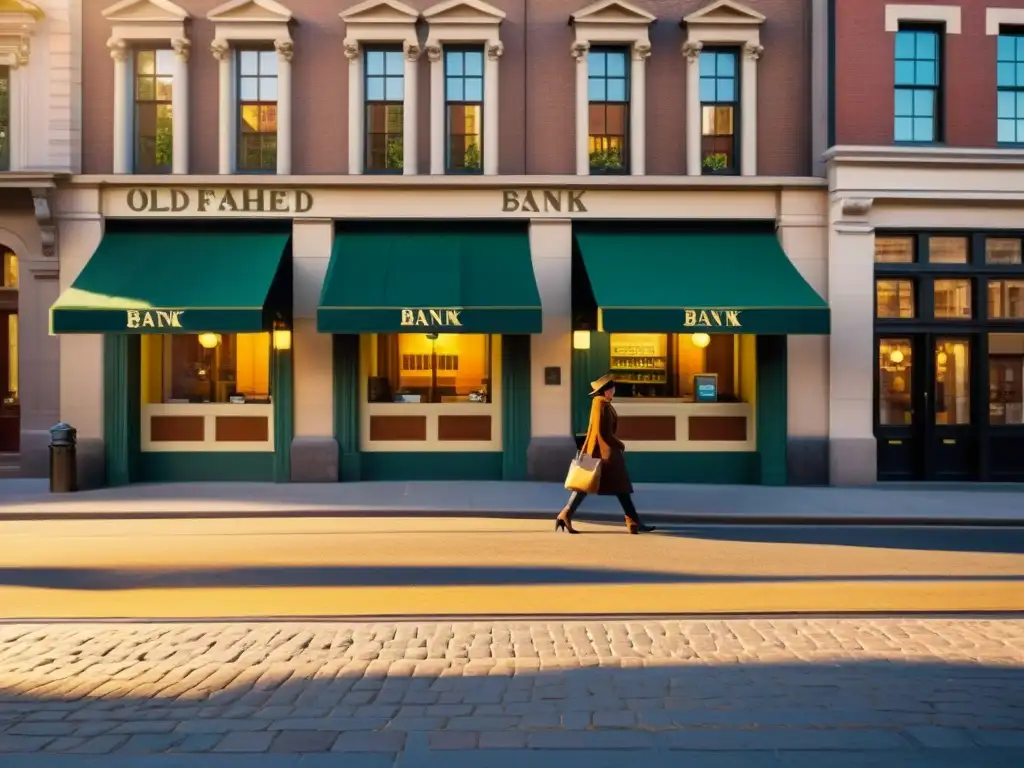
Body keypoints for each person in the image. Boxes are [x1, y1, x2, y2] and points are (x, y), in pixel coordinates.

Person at [556, 374, 656, 535]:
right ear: (606, 390)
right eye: (612, 388)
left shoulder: (604, 404)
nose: (614, 390)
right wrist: (619, 444)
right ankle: (633, 522)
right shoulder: (600, 404)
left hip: (604, 451)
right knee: (606, 486)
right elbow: (604, 432)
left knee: (605, 487)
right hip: (606, 452)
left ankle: (633, 522)